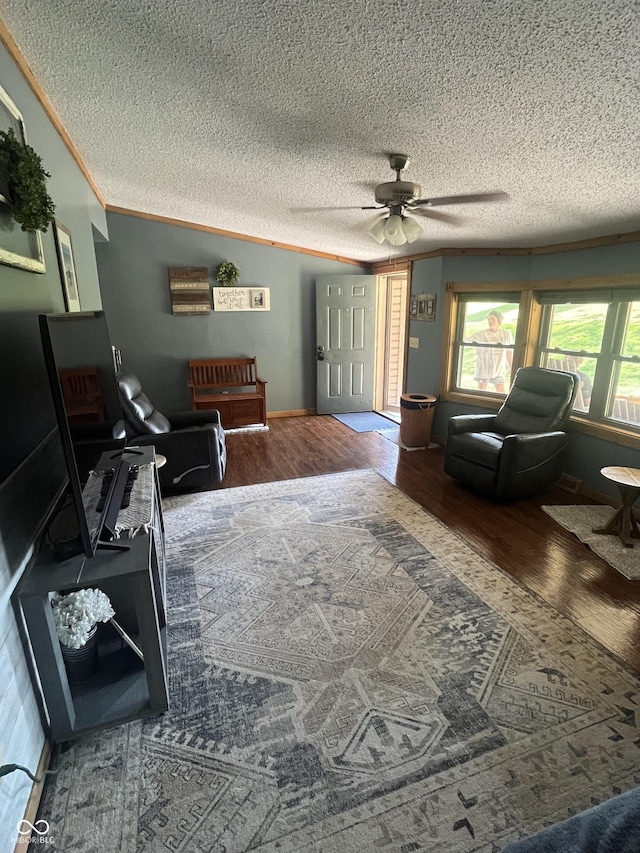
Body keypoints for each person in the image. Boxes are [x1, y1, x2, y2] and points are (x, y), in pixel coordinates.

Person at [470, 310, 514, 392]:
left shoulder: (506, 334)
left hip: (498, 369)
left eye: (493, 319)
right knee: (481, 392)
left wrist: (511, 367)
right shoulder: (481, 334)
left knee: (501, 391)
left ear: (499, 321)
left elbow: (509, 351)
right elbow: (467, 341)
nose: (490, 321)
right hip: (484, 368)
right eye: (489, 319)